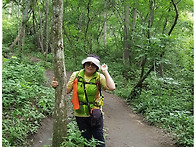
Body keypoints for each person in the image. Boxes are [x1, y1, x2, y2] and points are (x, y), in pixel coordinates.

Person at [51, 54, 115, 147]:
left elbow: (112, 87)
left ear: (97, 67)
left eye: (93, 65)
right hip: (80, 113)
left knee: (99, 140)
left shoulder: (99, 77)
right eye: (88, 63)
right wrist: (56, 86)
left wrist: (105, 72)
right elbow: (66, 91)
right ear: (84, 64)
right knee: (85, 139)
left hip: (95, 113)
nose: (90, 66)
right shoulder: (76, 75)